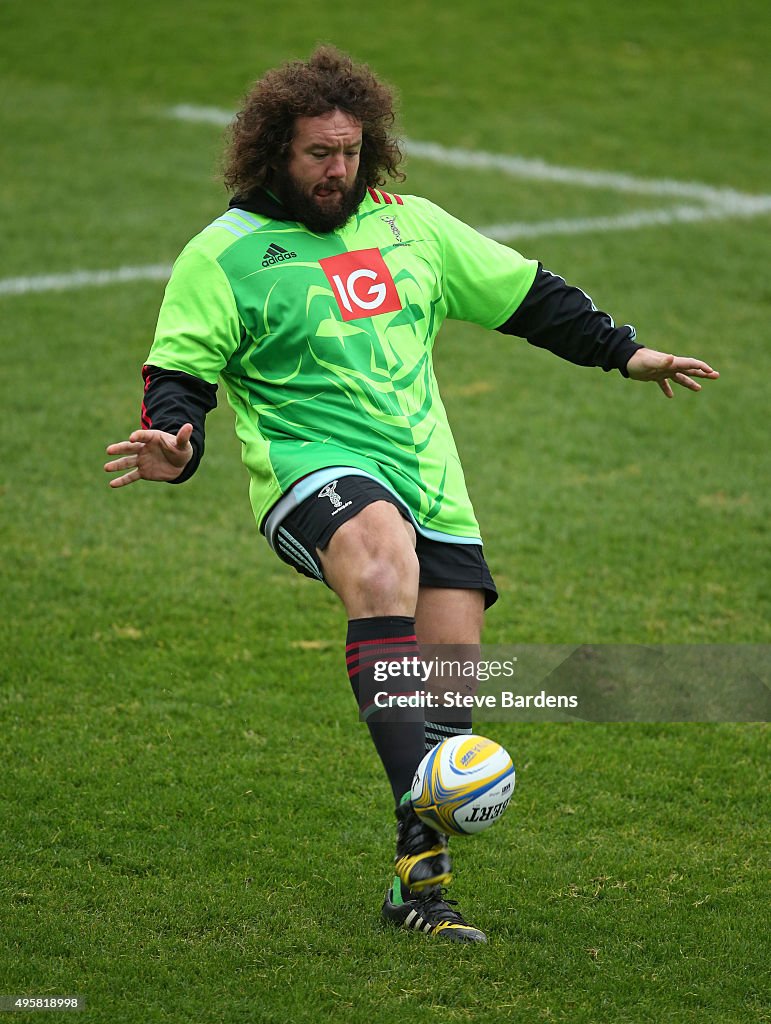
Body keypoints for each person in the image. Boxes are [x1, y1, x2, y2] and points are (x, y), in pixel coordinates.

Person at [104, 46, 719, 944]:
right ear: (273, 152)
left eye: (351, 152)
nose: (337, 170)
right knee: (382, 561)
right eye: (318, 154)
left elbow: (525, 295)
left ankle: (417, 889)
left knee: (444, 690)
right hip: (312, 468)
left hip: (432, 479)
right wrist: (177, 439)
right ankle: (426, 840)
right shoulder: (224, 256)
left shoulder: (410, 227)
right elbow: (182, 374)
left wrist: (626, 352)